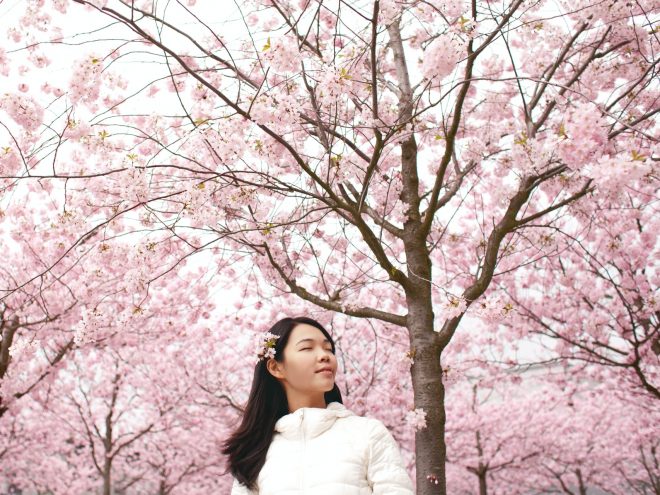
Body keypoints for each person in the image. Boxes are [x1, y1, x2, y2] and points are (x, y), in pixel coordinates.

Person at [221, 316, 415, 494]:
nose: (324, 356)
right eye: (307, 348)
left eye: (328, 349)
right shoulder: (256, 451)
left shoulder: (367, 433)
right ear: (276, 367)